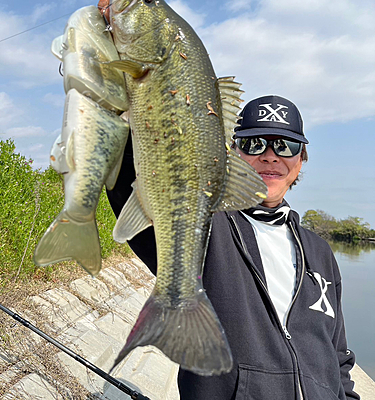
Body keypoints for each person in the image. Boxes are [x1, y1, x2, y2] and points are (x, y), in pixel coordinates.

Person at [107, 94, 360, 400]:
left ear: (301, 159)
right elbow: (131, 184)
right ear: (232, 153)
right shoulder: (204, 224)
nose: (270, 155)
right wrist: (121, 103)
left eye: (285, 145)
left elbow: (339, 359)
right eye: (254, 143)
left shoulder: (320, 252)